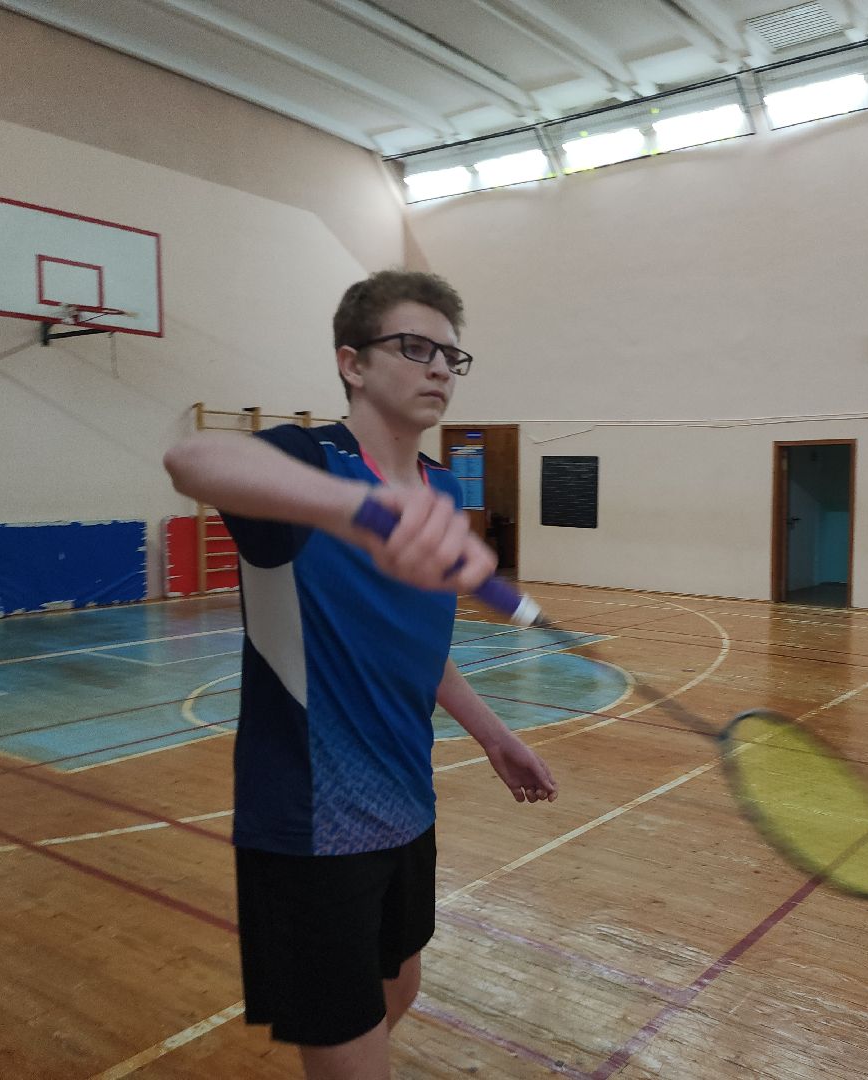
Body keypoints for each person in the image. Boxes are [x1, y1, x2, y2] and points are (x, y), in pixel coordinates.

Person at [164, 269, 558, 1079]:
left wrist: (491, 733)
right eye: (415, 347)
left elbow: (416, 641)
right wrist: (356, 511)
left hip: (407, 799)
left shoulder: (441, 488)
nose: (440, 368)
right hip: (311, 820)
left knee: (400, 983)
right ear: (353, 362)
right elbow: (190, 457)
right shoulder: (305, 465)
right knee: (350, 1041)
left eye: (451, 355)